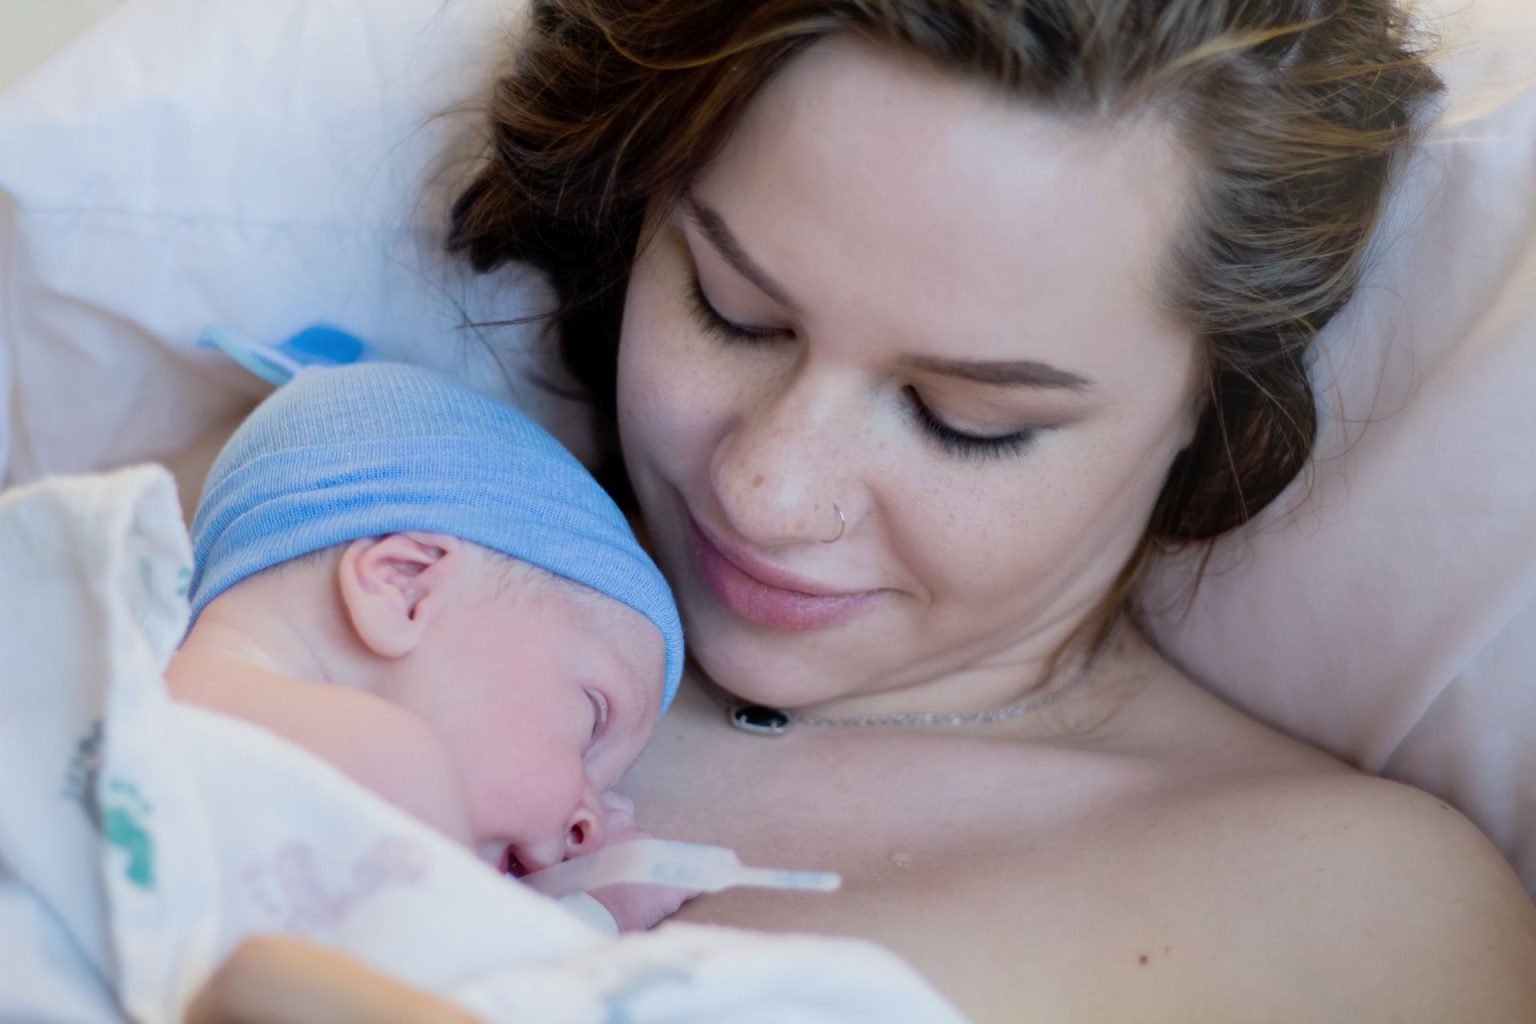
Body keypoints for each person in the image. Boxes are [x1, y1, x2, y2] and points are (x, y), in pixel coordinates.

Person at [192, 0, 1536, 1020]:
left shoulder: (1351, 916)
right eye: (733, 311)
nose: (767, 491)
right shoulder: (335, 560)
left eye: (970, 419)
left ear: (1207, 400)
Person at [164, 360, 688, 932]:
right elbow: (456, 986)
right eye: (592, 721)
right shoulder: (391, 759)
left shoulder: (136, 686)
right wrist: (600, 914)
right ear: (404, 585)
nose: (591, 823)